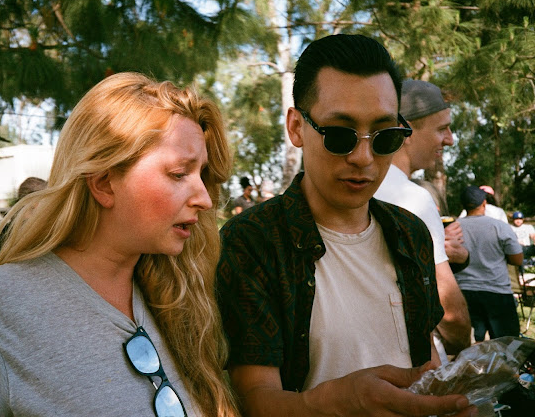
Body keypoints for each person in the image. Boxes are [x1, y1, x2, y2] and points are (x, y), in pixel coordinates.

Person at [0, 73, 239, 416]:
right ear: (104, 183)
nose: (203, 199)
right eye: (179, 174)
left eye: (201, 175)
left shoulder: (176, 299)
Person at [217, 34, 475, 416]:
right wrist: (331, 404)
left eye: (384, 136)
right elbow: (253, 398)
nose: (363, 157)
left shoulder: (411, 233)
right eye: (340, 135)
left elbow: (423, 363)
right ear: (296, 127)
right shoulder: (253, 241)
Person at [374, 79, 471, 356]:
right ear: (404, 130)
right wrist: (463, 344)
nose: (450, 139)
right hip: (415, 362)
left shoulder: (362, 187)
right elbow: (449, 313)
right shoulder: (413, 198)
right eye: (442, 128)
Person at [455, 186, 523, 342]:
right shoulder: (500, 226)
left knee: (471, 346)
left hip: (464, 292)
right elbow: (517, 260)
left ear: (463, 205)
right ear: (484, 203)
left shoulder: (453, 228)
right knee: (506, 345)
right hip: (497, 292)